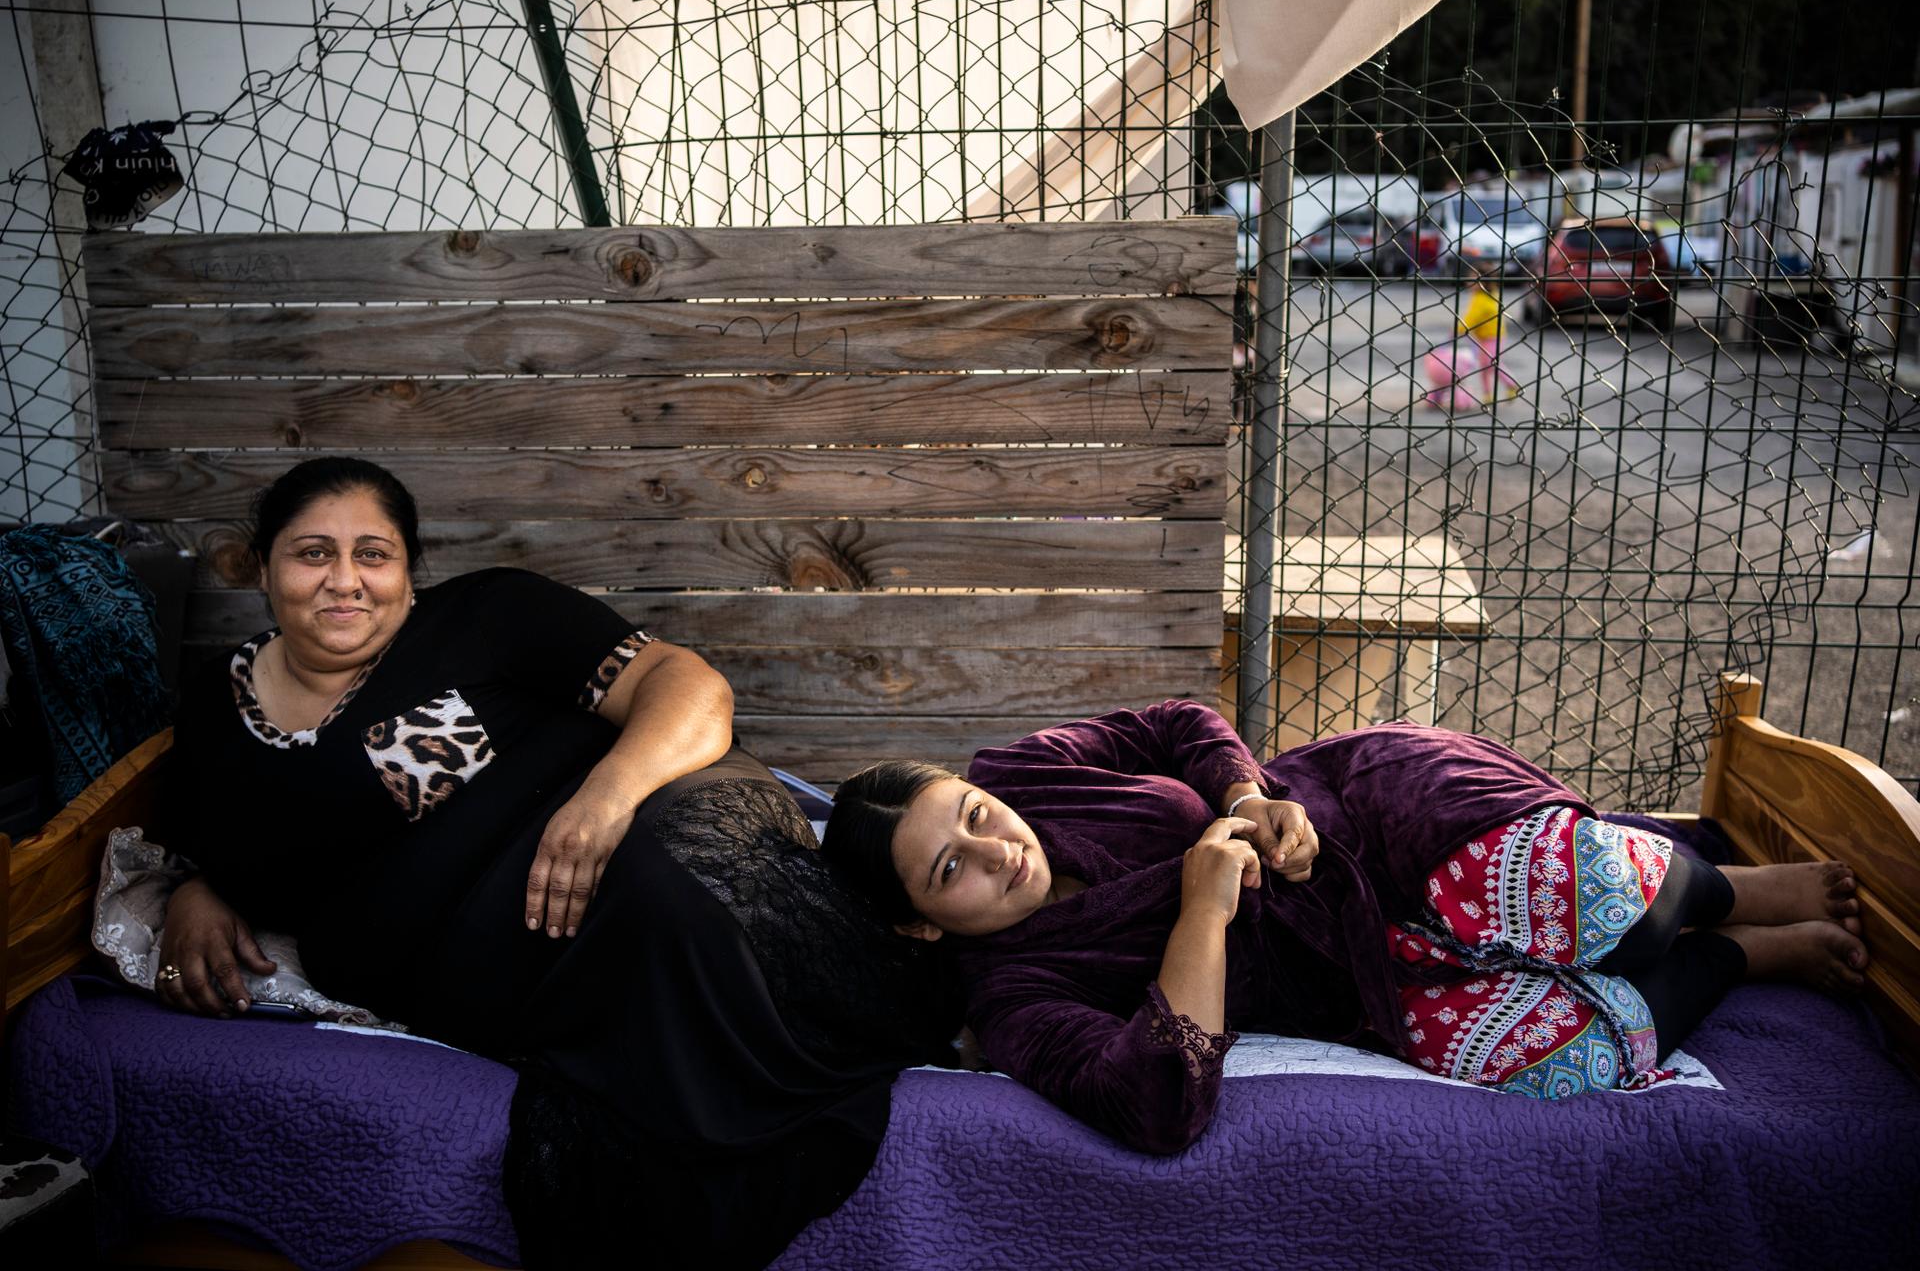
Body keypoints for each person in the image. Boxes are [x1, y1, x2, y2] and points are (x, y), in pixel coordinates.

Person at [153, 456, 956, 1269]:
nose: (346, 581)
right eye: (313, 553)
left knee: (673, 901)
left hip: (648, 806)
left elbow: (688, 685)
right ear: (262, 567)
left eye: (374, 554)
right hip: (496, 959)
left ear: (407, 568)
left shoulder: (487, 616)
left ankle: (891, 1018)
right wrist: (198, 886)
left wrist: (604, 800)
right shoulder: (216, 717)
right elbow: (212, 838)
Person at [821, 700, 1868, 1154]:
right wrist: (1202, 912)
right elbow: (1158, 1101)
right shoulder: (1010, 1001)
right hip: (1361, 975)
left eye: (972, 812)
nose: (997, 844)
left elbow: (1179, 723)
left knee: (1580, 888)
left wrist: (1245, 795)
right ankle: (1735, 955)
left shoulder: (1029, 768)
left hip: (1369, 819)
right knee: (1570, 1060)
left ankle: (1737, 893)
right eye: (950, 867)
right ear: (920, 927)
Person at [1424, 265, 1519, 409]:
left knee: (1491, 364)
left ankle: (1512, 385)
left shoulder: (1482, 299)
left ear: (1482, 282)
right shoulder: (1484, 295)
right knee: (1483, 366)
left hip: (1493, 337)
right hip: (1483, 336)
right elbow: (1471, 318)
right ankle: (1487, 394)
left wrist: (1458, 329)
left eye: (1472, 279)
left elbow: (1471, 319)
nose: (1468, 282)